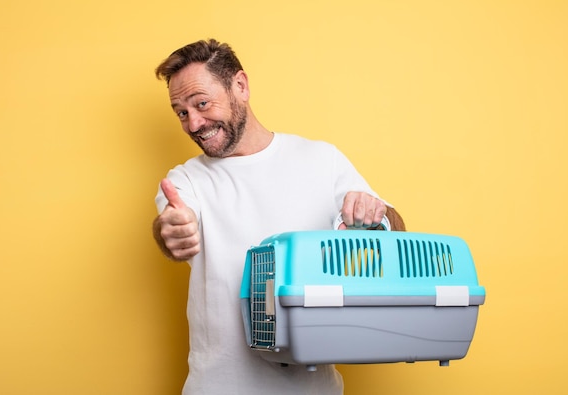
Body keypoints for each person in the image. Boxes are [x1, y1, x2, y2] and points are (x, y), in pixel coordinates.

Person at [152, 39, 405, 395]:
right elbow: (172, 225)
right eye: (181, 112)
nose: (194, 122)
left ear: (240, 85)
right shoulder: (186, 179)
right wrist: (173, 232)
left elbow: (392, 230)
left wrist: (374, 213)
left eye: (202, 104)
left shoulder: (321, 159)